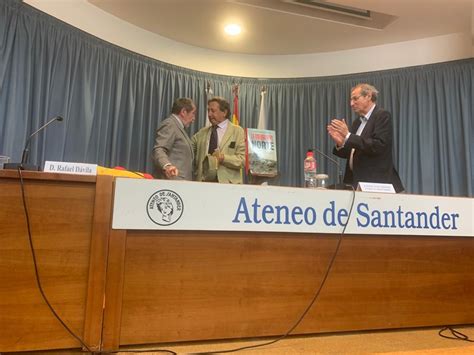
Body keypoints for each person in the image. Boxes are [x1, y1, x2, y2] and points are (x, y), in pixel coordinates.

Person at [327, 83, 404, 192]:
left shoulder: (382, 115)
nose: (351, 104)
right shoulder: (357, 123)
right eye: (351, 100)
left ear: (368, 96)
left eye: (355, 99)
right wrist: (341, 143)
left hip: (376, 183)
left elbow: (378, 146)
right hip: (354, 183)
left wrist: (348, 136)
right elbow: (350, 153)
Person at [192, 96, 245, 183]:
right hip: (203, 184)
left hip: (227, 186)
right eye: (208, 110)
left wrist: (223, 158)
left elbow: (242, 160)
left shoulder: (238, 131)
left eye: (213, 111)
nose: (209, 114)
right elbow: (187, 147)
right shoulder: (202, 132)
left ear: (224, 112)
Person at [152, 97, 196, 180]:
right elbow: (159, 149)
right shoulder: (170, 124)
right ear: (183, 112)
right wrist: (167, 166)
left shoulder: (177, 127)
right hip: (172, 182)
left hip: (179, 183)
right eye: (193, 113)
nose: (194, 118)